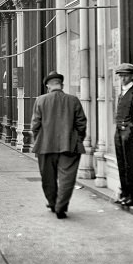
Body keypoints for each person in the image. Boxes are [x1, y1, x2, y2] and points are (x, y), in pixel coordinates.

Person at [30, 71, 87, 219]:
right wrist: (77, 139)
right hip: (69, 145)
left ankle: (52, 202)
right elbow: (81, 124)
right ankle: (61, 207)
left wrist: (40, 140)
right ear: (61, 85)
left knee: (48, 177)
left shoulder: (41, 100)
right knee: (67, 178)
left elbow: (35, 125)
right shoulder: (73, 100)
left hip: (45, 145)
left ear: (48, 86)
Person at [113, 62, 133, 207]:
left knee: (130, 165)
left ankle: (132, 195)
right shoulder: (121, 92)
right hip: (119, 132)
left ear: (132, 76)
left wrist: (130, 128)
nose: (123, 79)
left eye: (126, 76)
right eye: (121, 76)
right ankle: (124, 193)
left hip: (129, 134)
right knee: (121, 164)